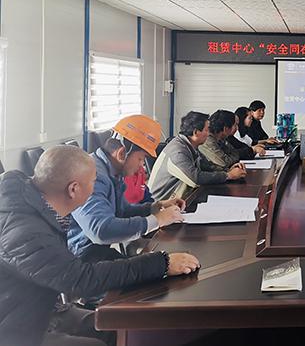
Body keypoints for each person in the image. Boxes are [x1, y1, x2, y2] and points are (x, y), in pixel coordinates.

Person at [0, 145, 199, 346]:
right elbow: (82, 279)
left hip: (45, 307)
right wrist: (161, 263)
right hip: (16, 327)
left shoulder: (35, 203)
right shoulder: (25, 233)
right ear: (74, 189)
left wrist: (152, 211)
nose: (96, 188)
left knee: (121, 329)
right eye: (93, 182)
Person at [68, 115, 186, 262]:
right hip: (81, 259)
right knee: (156, 267)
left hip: (96, 250)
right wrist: (157, 220)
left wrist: (155, 208)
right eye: (141, 159)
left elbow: (121, 211)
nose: (142, 166)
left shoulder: (111, 172)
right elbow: (100, 230)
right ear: (122, 153)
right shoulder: (92, 176)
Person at [148, 111, 245, 201]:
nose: (209, 133)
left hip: (181, 198)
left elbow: (206, 165)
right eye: (207, 130)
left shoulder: (190, 145)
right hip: (163, 205)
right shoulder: (177, 151)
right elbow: (195, 179)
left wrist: (228, 170)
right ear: (196, 132)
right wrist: (228, 176)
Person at [198, 110, 247, 179]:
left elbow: (235, 153)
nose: (237, 128)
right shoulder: (207, 140)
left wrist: (227, 169)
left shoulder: (220, 139)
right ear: (225, 129)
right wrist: (227, 169)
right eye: (235, 125)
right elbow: (224, 163)